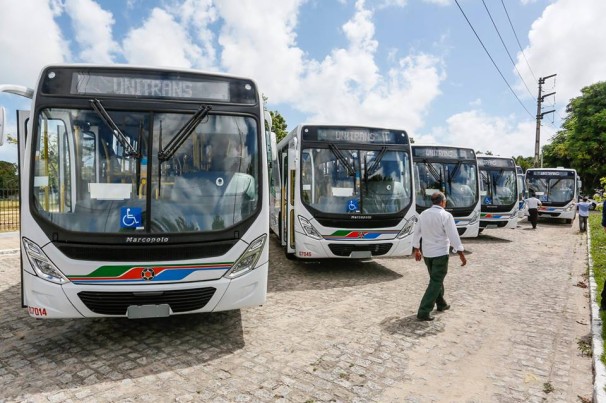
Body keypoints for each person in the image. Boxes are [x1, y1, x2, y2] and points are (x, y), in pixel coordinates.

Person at [412, 191, 467, 321]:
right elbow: (453, 235)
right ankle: (424, 311)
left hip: (427, 254)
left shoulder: (423, 214)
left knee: (435, 279)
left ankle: (441, 304)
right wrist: (461, 253)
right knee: (436, 281)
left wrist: (416, 249)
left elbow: (416, 232)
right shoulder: (446, 215)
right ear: (443, 202)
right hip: (440, 253)